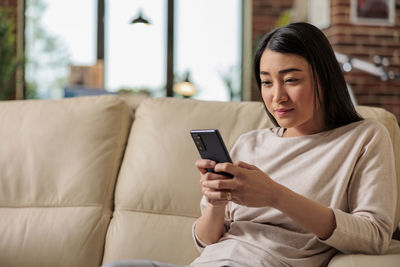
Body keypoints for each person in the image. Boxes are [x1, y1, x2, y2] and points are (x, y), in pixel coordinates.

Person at [103, 22, 396, 267]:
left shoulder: (364, 137)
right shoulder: (250, 143)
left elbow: (374, 235)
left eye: (291, 80)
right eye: (266, 82)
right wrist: (216, 205)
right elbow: (206, 242)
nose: (277, 96)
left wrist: (274, 195)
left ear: (324, 79)